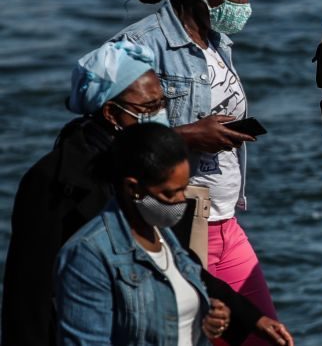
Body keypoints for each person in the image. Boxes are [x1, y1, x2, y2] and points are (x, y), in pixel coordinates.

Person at [1, 40, 294, 346]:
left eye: (161, 104)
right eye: (147, 108)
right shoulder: (54, 180)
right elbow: (28, 297)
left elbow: (179, 260)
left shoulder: (149, 164)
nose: (159, 115)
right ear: (112, 113)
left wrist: (246, 316)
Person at [109, 0, 282, 342]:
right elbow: (108, 137)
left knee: (266, 335)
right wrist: (187, 135)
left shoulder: (217, 41)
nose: (246, 6)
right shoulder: (140, 45)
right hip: (179, 224)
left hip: (225, 223)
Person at [54, 123, 229, 345]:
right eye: (169, 193)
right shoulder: (88, 255)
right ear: (132, 187)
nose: (180, 201)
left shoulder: (164, 235)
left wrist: (205, 313)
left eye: (184, 189)